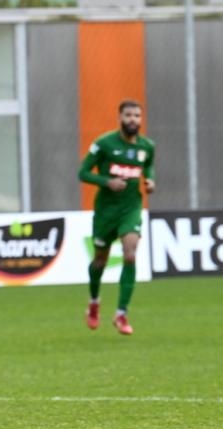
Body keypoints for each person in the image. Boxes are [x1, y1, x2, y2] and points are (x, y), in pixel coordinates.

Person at [78, 99, 155, 335]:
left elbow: (148, 166)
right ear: (120, 118)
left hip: (131, 208)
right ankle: (94, 302)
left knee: (130, 254)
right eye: (129, 115)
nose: (133, 120)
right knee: (100, 261)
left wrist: (150, 180)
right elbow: (82, 173)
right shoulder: (104, 144)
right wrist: (106, 182)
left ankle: (121, 314)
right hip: (106, 211)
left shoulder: (147, 146)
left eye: (137, 116)